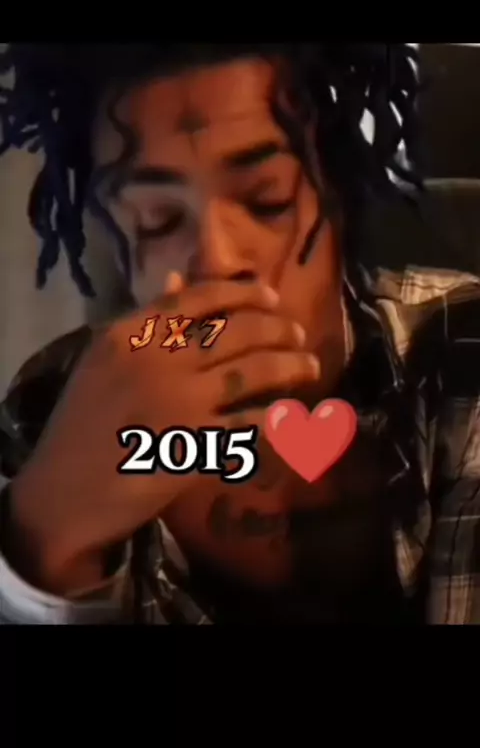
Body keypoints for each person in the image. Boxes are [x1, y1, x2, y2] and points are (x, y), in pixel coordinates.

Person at [0, 42, 479, 625]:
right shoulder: (52, 410)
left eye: (265, 199)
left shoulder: (462, 347)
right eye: (160, 220)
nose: (220, 261)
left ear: (337, 190)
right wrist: (43, 544)